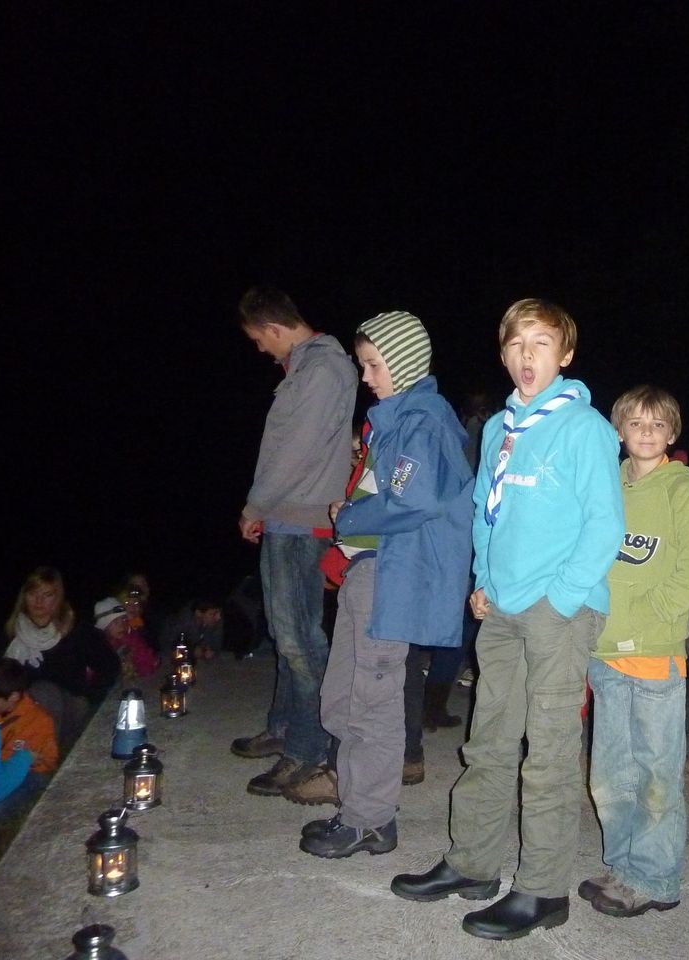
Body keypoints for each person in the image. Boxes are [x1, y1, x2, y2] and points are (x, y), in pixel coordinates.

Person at [390, 298, 623, 941]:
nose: (527, 356)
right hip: (500, 608)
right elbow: (485, 514)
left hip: (558, 611)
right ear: (502, 353)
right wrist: (483, 583)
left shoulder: (584, 427)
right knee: (488, 741)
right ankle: (472, 863)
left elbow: (605, 522)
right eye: (517, 344)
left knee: (547, 752)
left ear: (565, 354)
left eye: (541, 343)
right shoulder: (497, 428)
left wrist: (564, 595)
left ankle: (543, 888)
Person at [297, 310, 473, 857]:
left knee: (373, 700)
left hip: (391, 577)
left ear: (403, 361)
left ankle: (370, 819)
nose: (366, 376)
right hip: (367, 572)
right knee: (342, 696)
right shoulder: (394, 421)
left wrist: (348, 515)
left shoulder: (423, 422)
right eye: (363, 364)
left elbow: (413, 500)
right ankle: (356, 803)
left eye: (374, 364)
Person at [581, 386, 689, 918]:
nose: (645, 432)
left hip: (655, 654)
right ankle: (623, 865)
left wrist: (645, 613)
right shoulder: (606, 483)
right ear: (618, 430)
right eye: (635, 423)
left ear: (672, 433)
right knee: (610, 774)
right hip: (603, 652)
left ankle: (656, 878)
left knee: (655, 774)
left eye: (657, 424)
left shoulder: (682, 491)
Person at [229, 285, 357, 800]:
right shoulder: (305, 368)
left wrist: (255, 504)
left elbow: (296, 452)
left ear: (275, 328)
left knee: (300, 639)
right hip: (288, 517)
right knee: (287, 636)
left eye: (259, 339)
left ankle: (308, 748)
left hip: (301, 522)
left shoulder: (323, 369)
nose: (260, 348)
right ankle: (283, 726)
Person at [0, 567, 119, 747]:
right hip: (20, 711)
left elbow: (110, 665)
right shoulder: (11, 633)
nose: (39, 601)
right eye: (33, 593)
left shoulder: (75, 631)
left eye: (47, 595)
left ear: (58, 597)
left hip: (69, 709)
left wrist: (89, 697)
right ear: (24, 596)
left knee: (45, 692)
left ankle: (47, 755)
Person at [0, 657, 58, 806]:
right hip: (3, 769)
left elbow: (39, 760)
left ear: (13, 697)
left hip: (31, 771)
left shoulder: (38, 721)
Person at [95, 597, 158, 680]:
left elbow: (149, 662)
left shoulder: (131, 636)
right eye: (115, 622)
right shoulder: (97, 648)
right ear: (105, 626)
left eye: (123, 620)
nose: (121, 625)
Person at [157, 599, 224, 663]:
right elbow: (166, 645)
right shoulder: (182, 621)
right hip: (172, 659)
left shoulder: (215, 622)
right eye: (213, 614)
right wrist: (191, 651)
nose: (218, 617)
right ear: (199, 613)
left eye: (219, 613)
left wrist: (210, 651)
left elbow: (216, 646)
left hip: (199, 660)